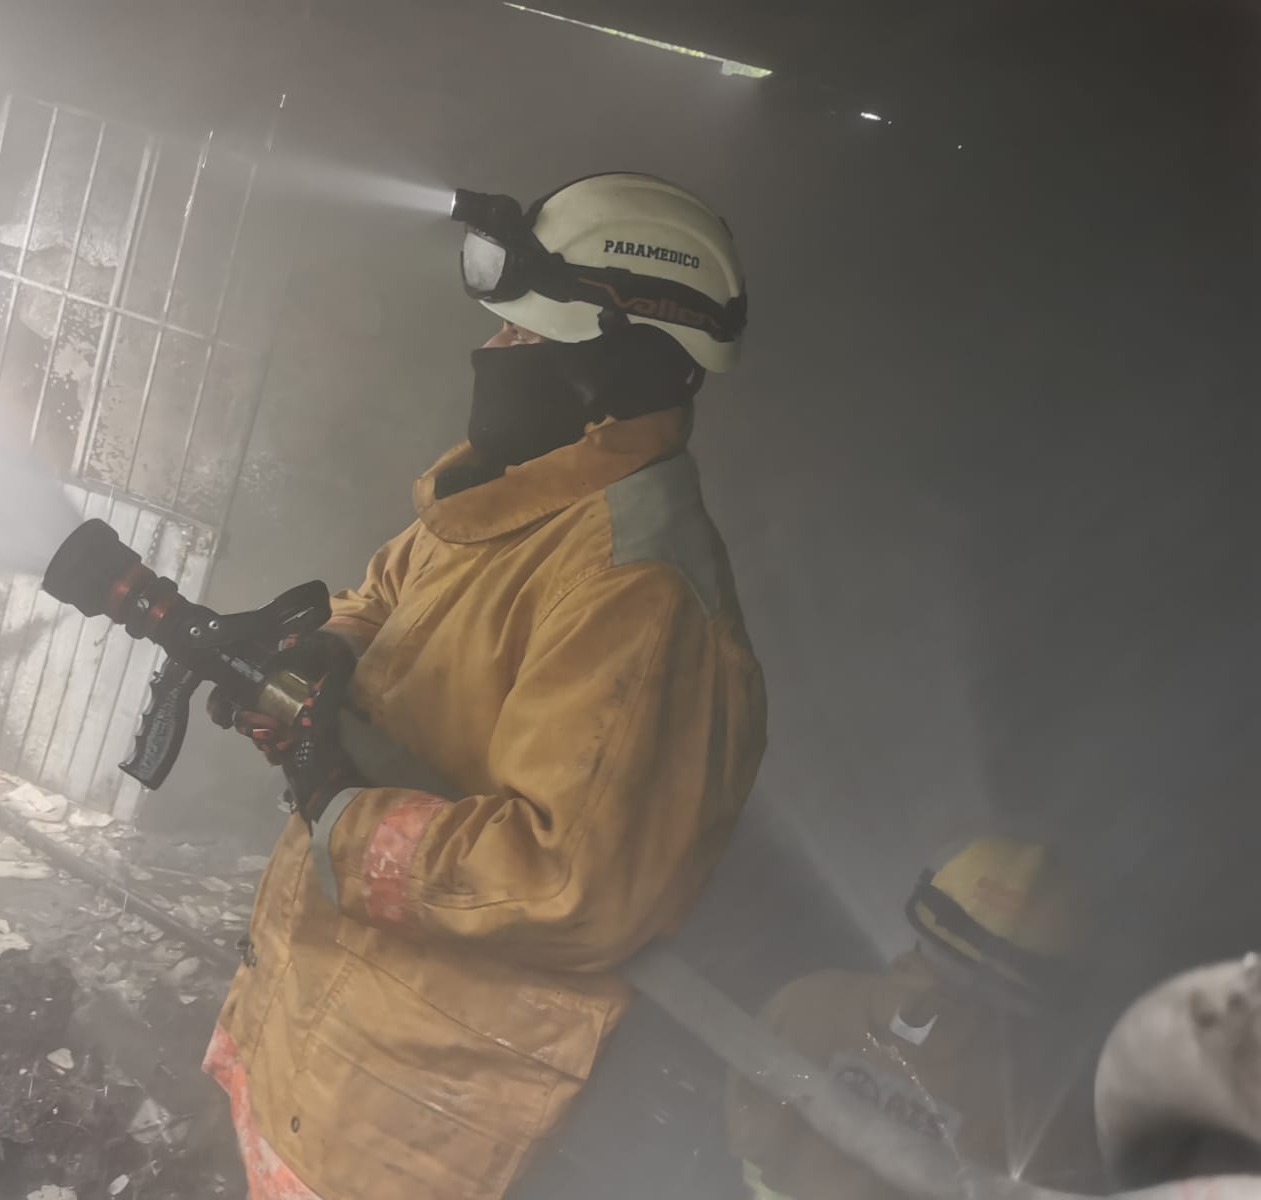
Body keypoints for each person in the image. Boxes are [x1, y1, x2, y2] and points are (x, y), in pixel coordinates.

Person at [200, 172, 768, 1200]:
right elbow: (389, 593)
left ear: (612, 366)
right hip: (329, 1025)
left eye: (522, 337)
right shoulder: (508, 503)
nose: (494, 354)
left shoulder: (637, 590)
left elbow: (566, 881)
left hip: (413, 1105)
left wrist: (338, 809)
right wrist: (324, 646)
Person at [724, 836, 1102, 1200]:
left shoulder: (807, 1001)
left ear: (926, 910)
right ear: (1046, 980)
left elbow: (741, 1142)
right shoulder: (1036, 1120)